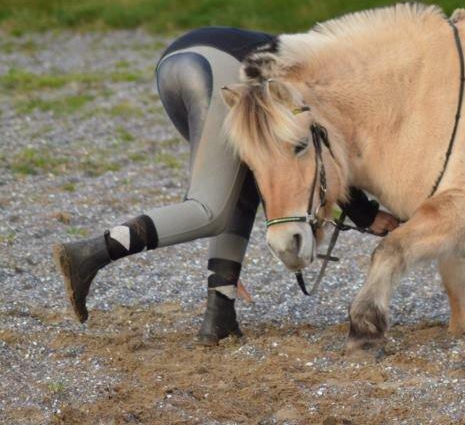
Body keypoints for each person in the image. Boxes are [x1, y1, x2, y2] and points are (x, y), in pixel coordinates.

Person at [53, 27, 399, 345]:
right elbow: (323, 158)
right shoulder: (328, 86)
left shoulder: (310, 67)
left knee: (239, 187)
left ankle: (219, 317)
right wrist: (365, 214)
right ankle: (90, 253)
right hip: (221, 72)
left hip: (178, 64)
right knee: (208, 209)